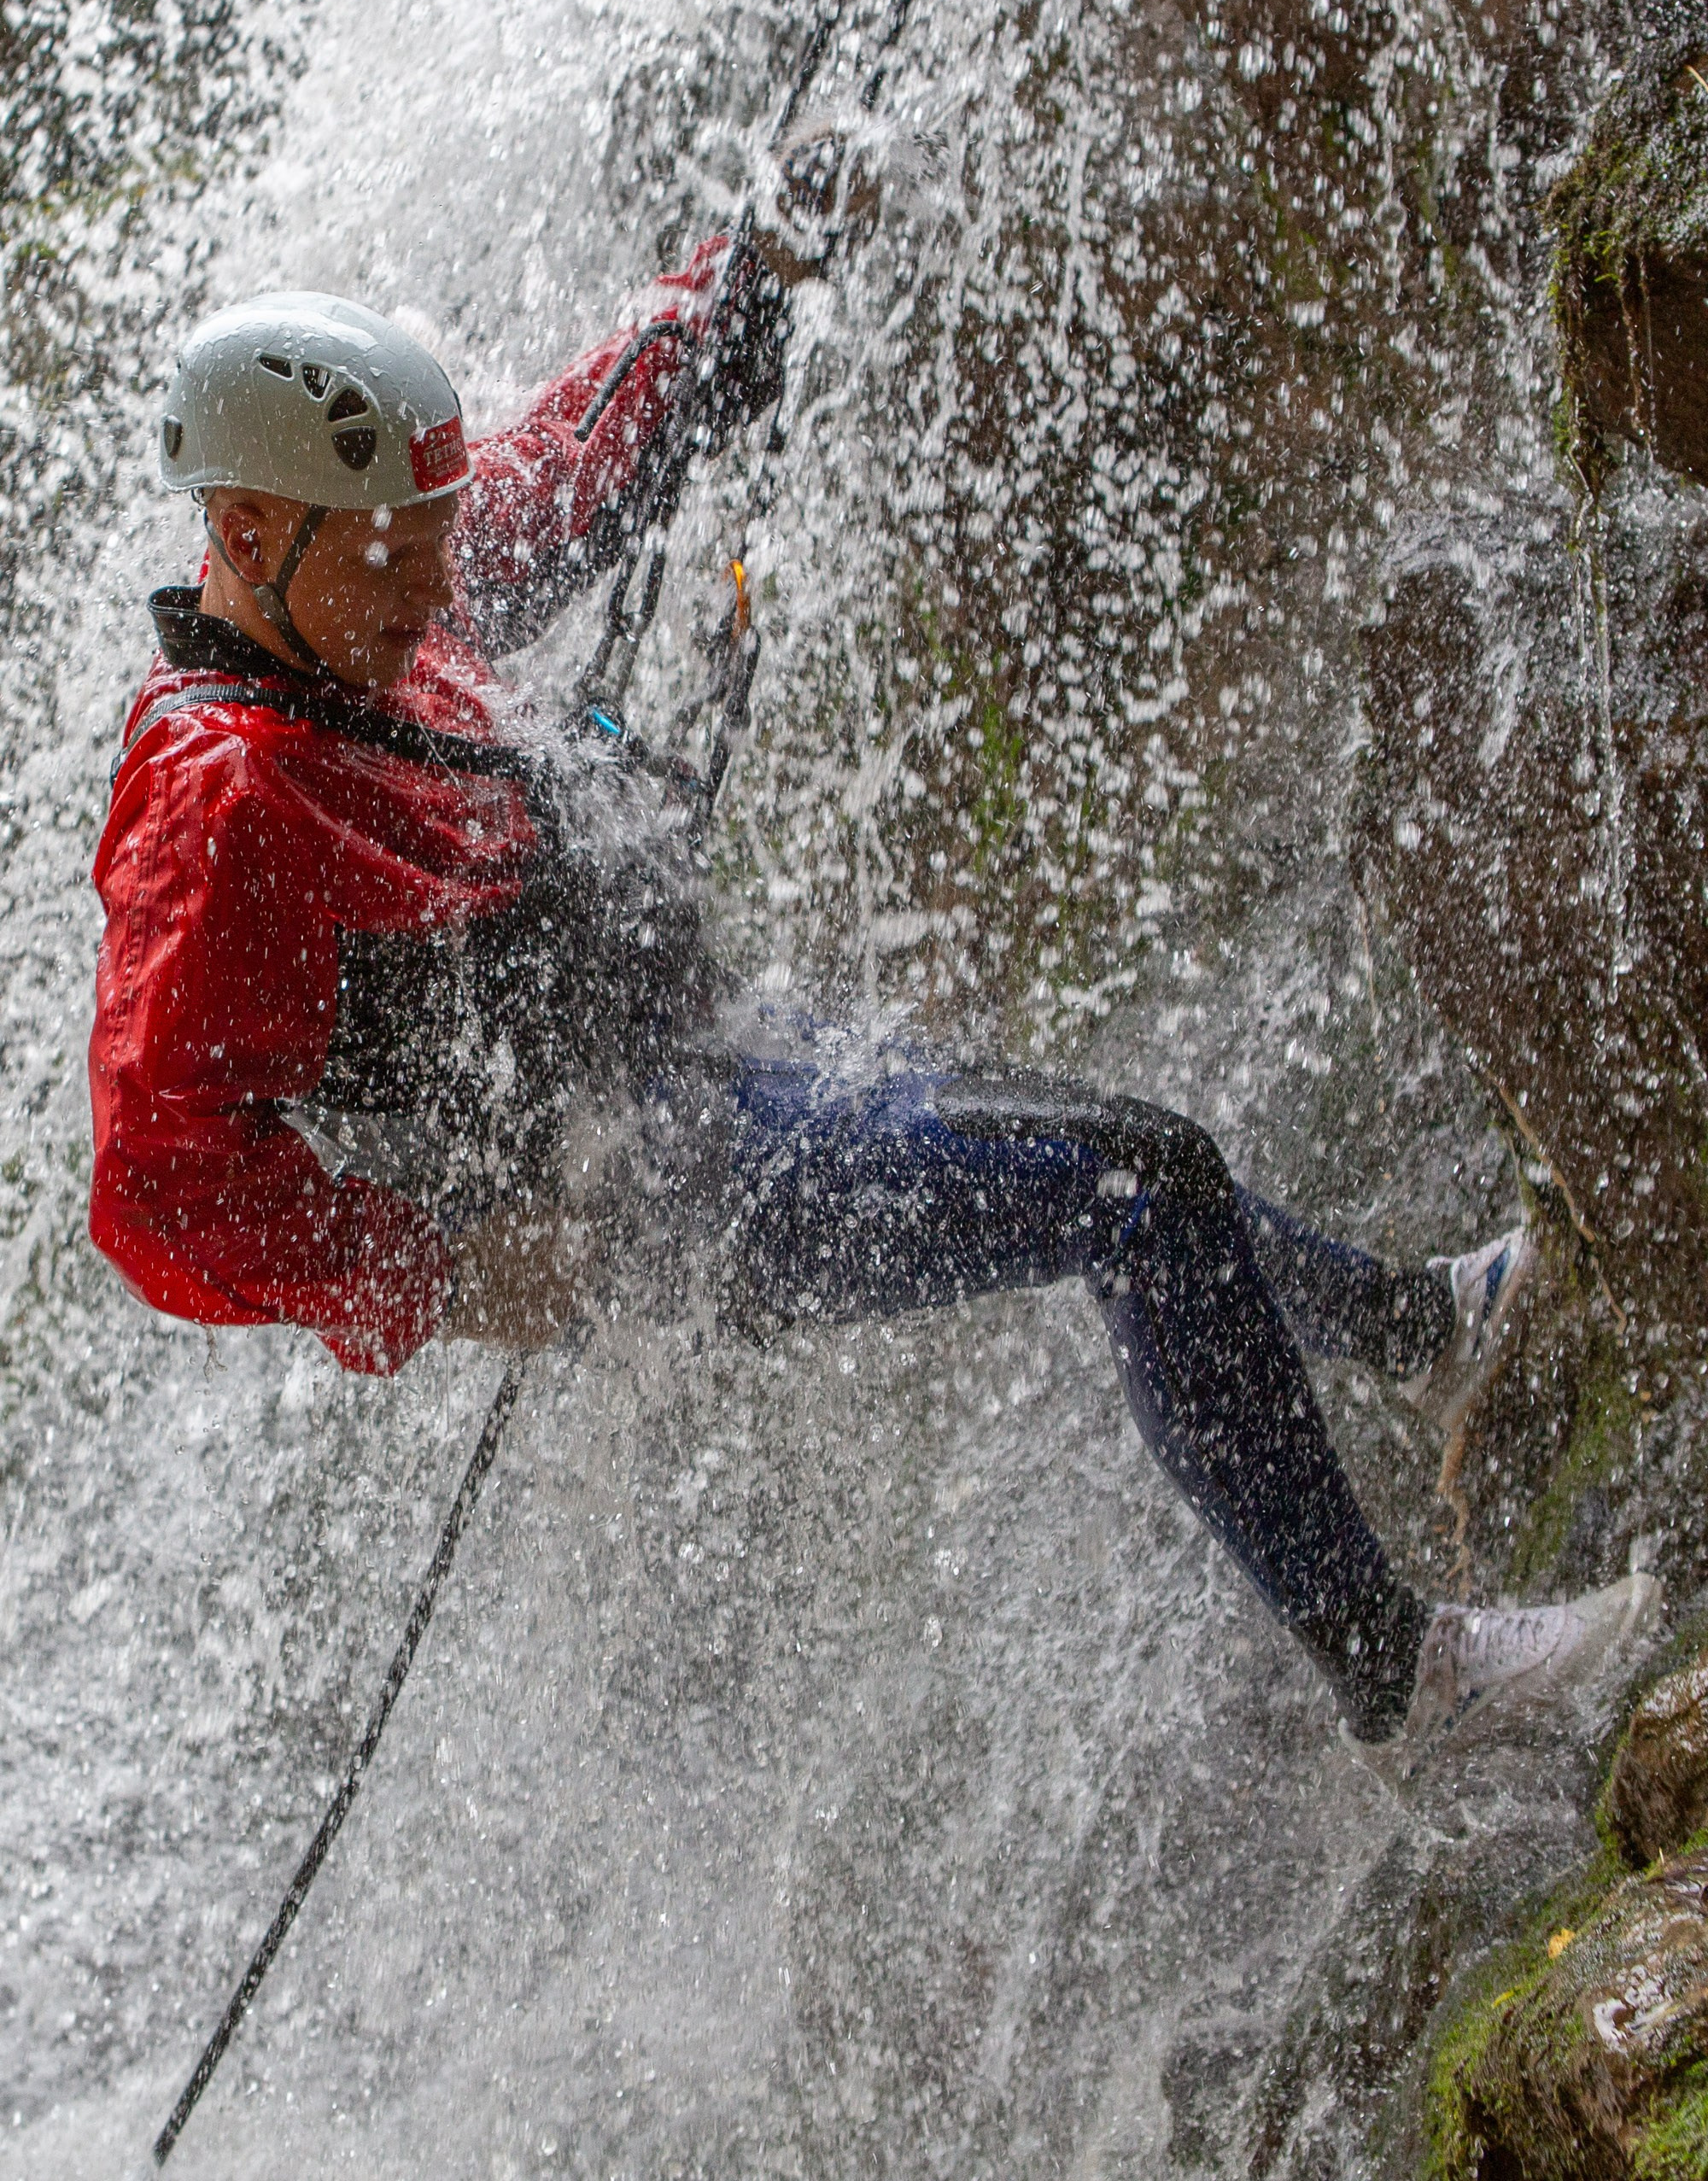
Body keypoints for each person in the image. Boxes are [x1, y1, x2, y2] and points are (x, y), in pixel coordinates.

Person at [87, 152, 1656, 1764]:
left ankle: (1418, 1334)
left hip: (705, 1074)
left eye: (437, 534)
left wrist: (739, 278)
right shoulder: (223, 802)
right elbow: (154, 1182)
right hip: (653, 1192)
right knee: (1137, 1190)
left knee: (1082, 1150)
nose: (436, 583)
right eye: (392, 551)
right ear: (250, 525)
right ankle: (1404, 1680)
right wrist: (430, 1275)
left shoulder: (363, 596)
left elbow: (561, 465)